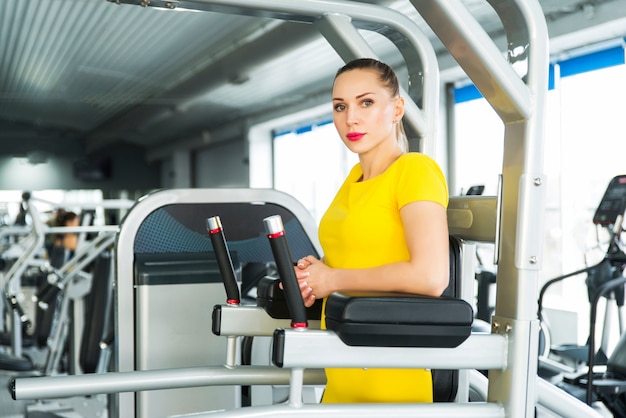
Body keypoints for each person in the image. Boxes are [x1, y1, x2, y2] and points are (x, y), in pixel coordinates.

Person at [294, 58, 450, 404]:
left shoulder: (414, 170)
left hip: (390, 381)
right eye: (340, 106)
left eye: (366, 102)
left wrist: (333, 279)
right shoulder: (353, 179)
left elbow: (430, 276)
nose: (350, 118)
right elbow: (358, 255)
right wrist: (314, 273)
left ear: (397, 109)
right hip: (341, 376)